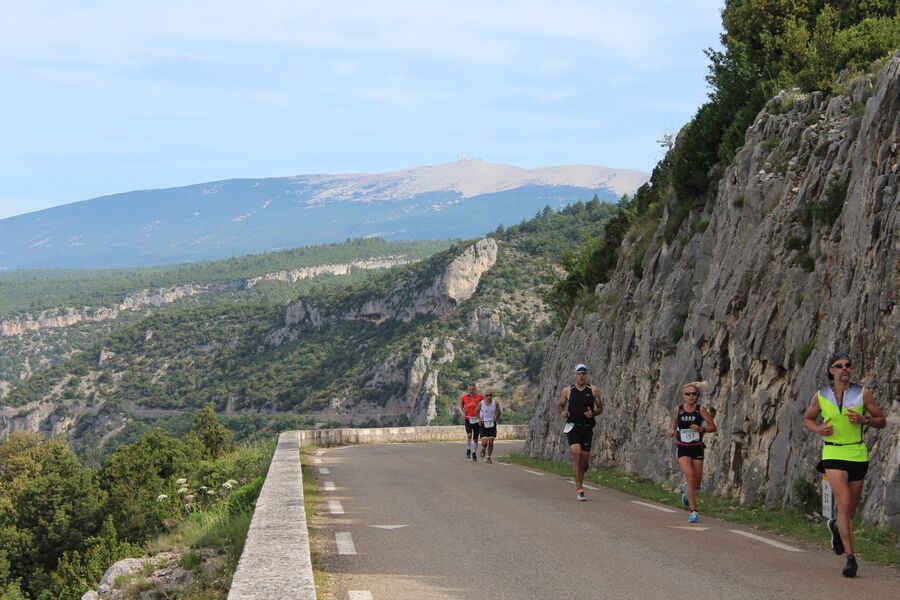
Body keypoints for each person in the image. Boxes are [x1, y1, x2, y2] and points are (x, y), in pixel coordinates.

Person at [802, 352, 886, 578]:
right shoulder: (821, 396)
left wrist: (865, 420)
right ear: (831, 371)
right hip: (833, 453)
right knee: (845, 501)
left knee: (849, 510)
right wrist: (818, 429)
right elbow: (808, 419)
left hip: (857, 453)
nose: (844, 368)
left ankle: (836, 525)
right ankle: (851, 559)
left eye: (848, 365)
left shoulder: (863, 393)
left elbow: (882, 420)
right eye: (839, 366)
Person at [666, 381, 716, 523]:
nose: (691, 396)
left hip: (697, 447)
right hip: (682, 447)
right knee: (689, 475)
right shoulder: (678, 410)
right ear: (683, 396)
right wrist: (671, 431)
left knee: (696, 483)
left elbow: (713, 427)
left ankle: (687, 491)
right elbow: (674, 425)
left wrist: (701, 429)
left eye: (694, 394)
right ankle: (694, 512)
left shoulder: (701, 410)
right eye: (688, 394)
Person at [557, 364, 603, 501]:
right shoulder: (568, 390)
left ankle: (579, 475)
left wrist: (593, 413)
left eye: (584, 373)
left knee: (584, 462)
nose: (581, 376)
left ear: (586, 375)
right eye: (579, 374)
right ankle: (580, 489)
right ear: (575, 375)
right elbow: (560, 405)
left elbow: (600, 408)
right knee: (576, 453)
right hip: (572, 427)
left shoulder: (593, 390)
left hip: (587, 428)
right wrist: (563, 413)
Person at [477, 389, 502, 464]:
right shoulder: (481, 403)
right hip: (483, 423)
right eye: (487, 395)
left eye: (490, 395)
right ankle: (483, 448)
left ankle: (488, 457)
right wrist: (479, 419)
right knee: (484, 443)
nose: (488, 397)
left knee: (491, 442)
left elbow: (499, 412)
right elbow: (476, 411)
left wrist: (496, 417)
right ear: (484, 396)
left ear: (492, 396)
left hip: (492, 424)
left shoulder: (495, 403)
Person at [460, 384, 483, 462]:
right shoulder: (465, 397)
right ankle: (468, 449)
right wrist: (463, 410)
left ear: (475, 390)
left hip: (476, 420)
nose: (471, 391)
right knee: (469, 435)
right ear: (468, 390)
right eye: (470, 389)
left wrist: (481, 416)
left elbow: (483, 406)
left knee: (475, 439)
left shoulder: (480, 397)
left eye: (473, 389)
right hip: (468, 419)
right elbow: (461, 404)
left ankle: (474, 453)